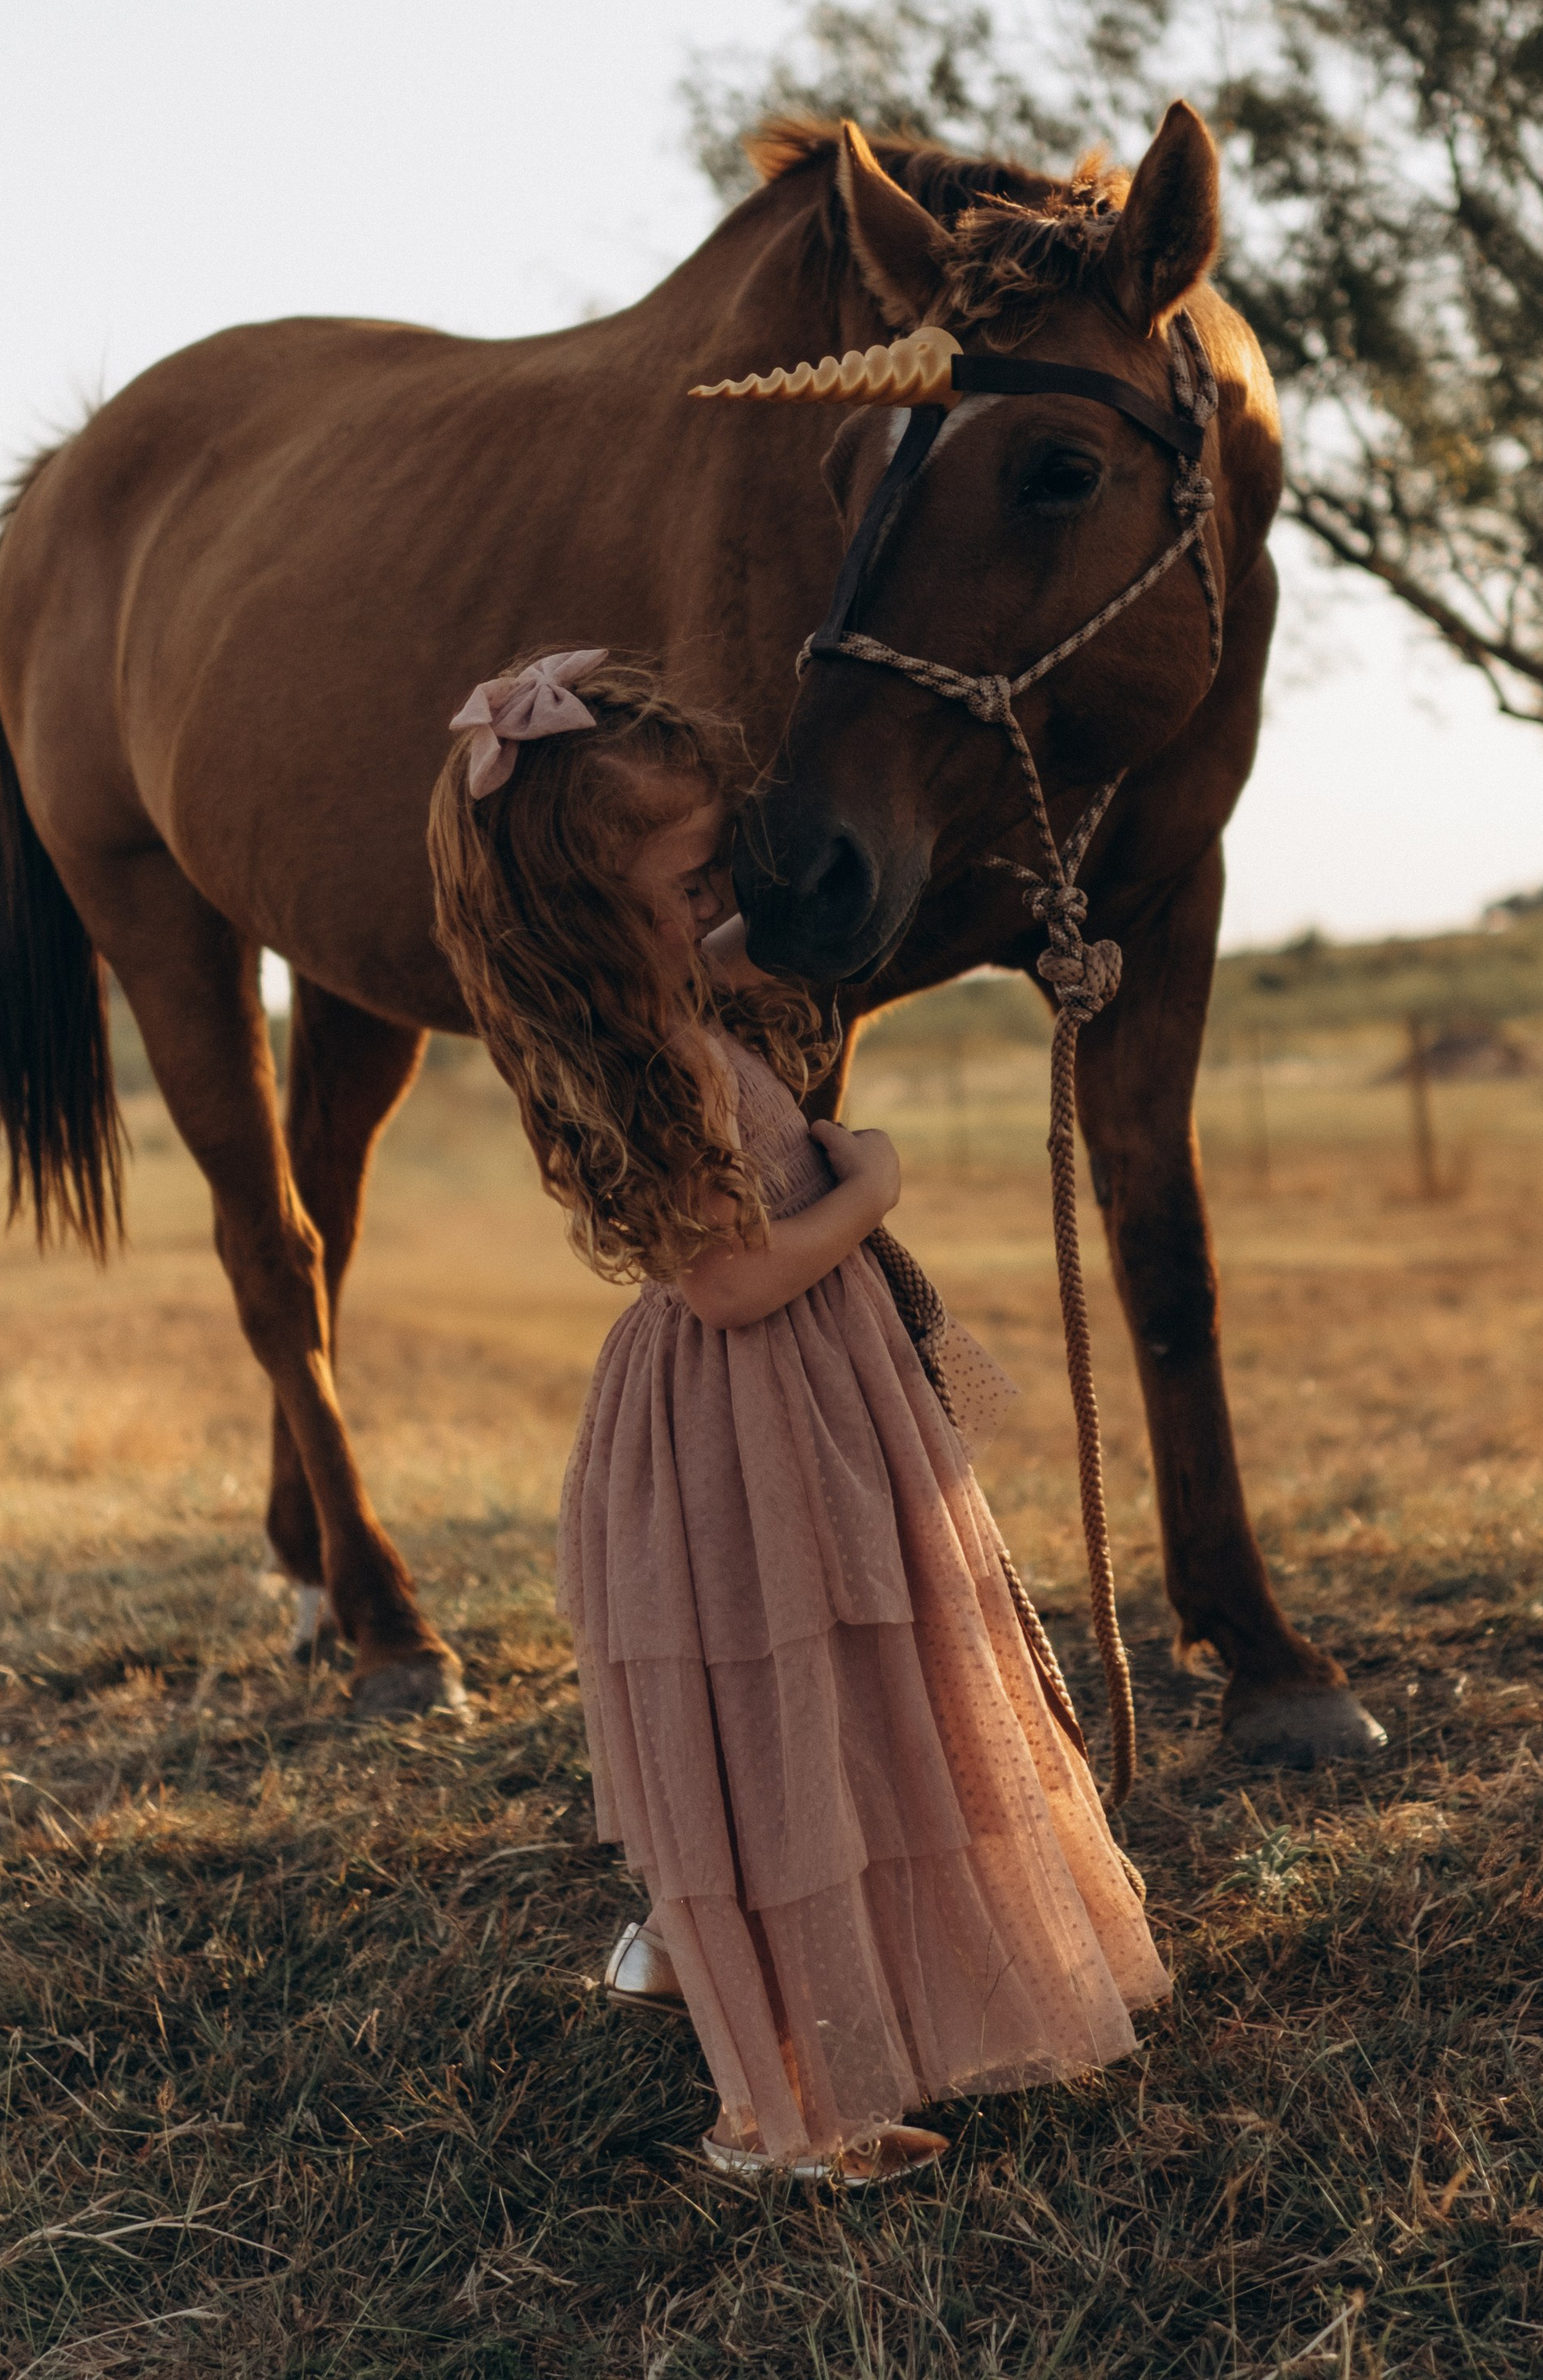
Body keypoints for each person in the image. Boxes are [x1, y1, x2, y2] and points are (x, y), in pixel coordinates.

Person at [426, 648, 1167, 2187]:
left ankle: (785, 1992)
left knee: (857, 1704)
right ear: (593, 905)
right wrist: (871, 1187)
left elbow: (766, 944)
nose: (721, 907)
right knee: (785, 1727)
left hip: (815, 1399)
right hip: (747, 1419)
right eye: (693, 885)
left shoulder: (663, 997)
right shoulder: (638, 1058)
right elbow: (729, 1284)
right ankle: (777, 2114)